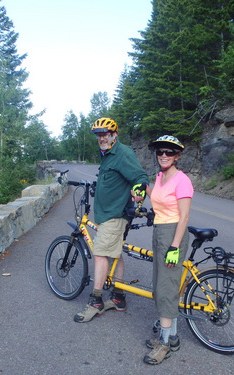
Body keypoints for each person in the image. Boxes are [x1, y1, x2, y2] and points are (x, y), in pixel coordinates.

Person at [74, 117, 149, 323]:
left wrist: (138, 189)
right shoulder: (106, 154)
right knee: (115, 255)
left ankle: (96, 301)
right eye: (98, 135)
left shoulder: (122, 153)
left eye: (105, 134)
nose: (102, 138)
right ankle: (118, 297)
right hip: (107, 214)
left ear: (114, 135)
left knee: (100, 254)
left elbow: (140, 176)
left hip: (115, 215)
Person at [136, 135, 193, 365]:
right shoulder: (160, 177)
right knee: (161, 286)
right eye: (160, 151)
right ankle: (173, 336)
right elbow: (159, 199)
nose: (164, 155)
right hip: (159, 232)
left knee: (166, 288)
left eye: (169, 152)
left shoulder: (182, 180)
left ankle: (165, 344)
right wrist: (145, 189)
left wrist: (174, 247)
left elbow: (184, 216)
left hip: (172, 235)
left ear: (177, 156)